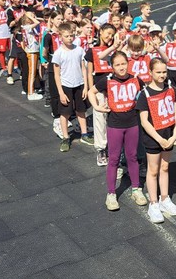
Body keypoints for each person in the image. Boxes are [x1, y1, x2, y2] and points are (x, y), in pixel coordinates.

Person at [89, 51, 148, 211]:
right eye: (117, 65)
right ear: (112, 66)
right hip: (115, 125)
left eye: (123, 64)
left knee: (132, 157)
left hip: (132, 123)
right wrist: (97, 107)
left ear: (128, 63)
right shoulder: (107, 80)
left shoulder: (136, 79)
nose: (121, 67)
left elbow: (147, 94)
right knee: (114, 159)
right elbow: (91, 92)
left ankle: (136, 189)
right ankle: (111, 193)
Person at [136, 58, 176, 224]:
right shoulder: (144, 94)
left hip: (169, 135)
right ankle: (153, 203)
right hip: (154, 138)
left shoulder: (171, 90)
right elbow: (144, 121)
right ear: (151, 72)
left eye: (164, 72)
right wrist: (159, 139)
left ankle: (164, 198)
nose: (162, 75)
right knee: (153, 170)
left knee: (165, 167)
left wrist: (174, 134)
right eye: (158, 72)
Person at [52, 21, 92, 152]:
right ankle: (65, 137)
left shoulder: (79, 50)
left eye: (72, 35)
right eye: (67, 36)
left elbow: (83, 68)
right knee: (65, 113)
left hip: (79, 84)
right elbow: (56, 74)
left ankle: (84, 134)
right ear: (60, 37)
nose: (70, 38)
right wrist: (61, 93)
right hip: (66, 86)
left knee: (81, 110)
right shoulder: (58, 53)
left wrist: (85, 86)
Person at [85, 24, 121, 167]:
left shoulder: (115, 50)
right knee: (100, 120)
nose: (110, 37)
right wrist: (90, 90)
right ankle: (101, 149)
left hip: (113, 90)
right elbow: (89, 72)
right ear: (100, 32)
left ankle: (113, 148)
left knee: (113, 120)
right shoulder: (92, 51)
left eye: (112, 34)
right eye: (108, 33)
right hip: (99, 90)